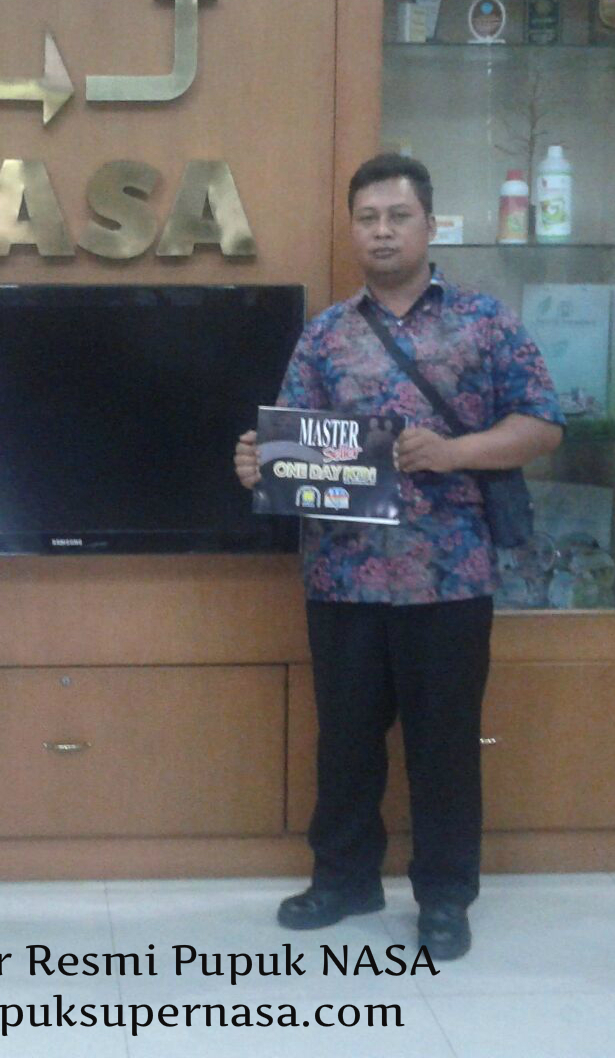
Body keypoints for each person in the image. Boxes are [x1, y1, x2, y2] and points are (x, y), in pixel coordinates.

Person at [234, 153, 563, 961]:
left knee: (443, 746)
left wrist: (455, 452)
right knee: (345, 741)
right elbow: (294, 444)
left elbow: (543, 423)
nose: (382, 231)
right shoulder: (325, 335)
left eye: (398, 216)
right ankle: (344, 879)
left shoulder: (484, 321)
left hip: (449, 576)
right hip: (342, 575)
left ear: (429, 224)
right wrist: (260, 463)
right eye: (368, 218)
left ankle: (445, 897)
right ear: (353, 229)